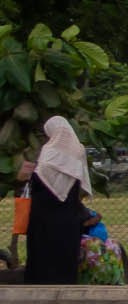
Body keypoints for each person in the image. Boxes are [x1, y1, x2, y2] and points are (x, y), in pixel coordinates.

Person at [22, 116, 90, 285]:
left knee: (42, 254)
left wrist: (30, 173)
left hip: (43, 216)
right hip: (69, 215)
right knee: (65, 255)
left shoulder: (49, 151)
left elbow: (39, 182)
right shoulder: (78, 150)